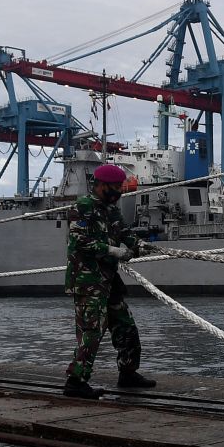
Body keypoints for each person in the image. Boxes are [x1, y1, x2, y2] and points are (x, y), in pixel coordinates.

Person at [64, 164, 157, 399]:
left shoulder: (110, 209)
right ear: (101, 185)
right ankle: (76, 381)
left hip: (107, 278)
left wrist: (138, 244)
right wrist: (113, 251)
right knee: (91, 330)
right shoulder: (82, 207)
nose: (118, 192)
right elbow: (79, 242)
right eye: (115, 187)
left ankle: (127, 372)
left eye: (120, 187)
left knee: (126, 327)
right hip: (87, 280)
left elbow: (124, 231)